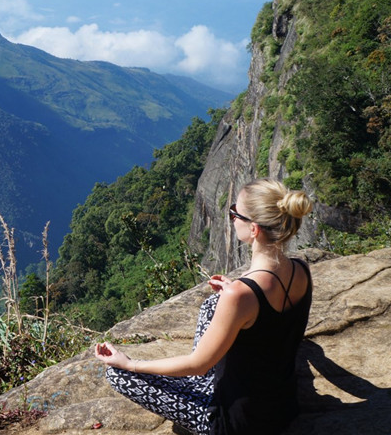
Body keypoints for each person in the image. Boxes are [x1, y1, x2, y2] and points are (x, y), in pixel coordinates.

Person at [94, 178, 314, 435]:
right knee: (213, 303)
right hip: (283, 404)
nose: (231, 218)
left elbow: (200, 365)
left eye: (235, 213)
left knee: (117, 375)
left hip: (235, 420)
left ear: (254, 229)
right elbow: (273, 322)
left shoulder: (240, 295)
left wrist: (129, 363)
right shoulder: (301, 270)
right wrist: (236, 293)